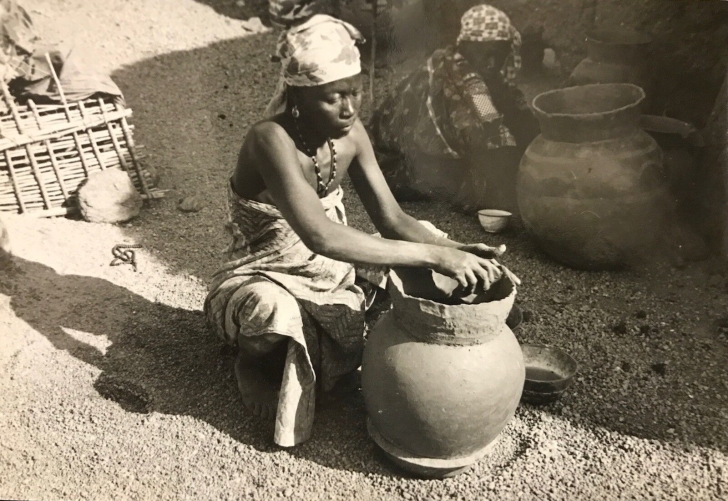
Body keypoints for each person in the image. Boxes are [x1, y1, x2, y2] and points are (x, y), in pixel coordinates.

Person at [204, 14, 520, 448]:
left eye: (355, 92)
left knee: (424, 240)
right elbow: (321, 236)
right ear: (300, 96)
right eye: (335, 97)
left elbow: (394, 219)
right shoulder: (269, 140)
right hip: (263, 273)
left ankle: (330, 344)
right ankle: (252, 364)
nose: (350, 108)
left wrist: (454, 247)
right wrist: (435, 256)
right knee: (269, 311)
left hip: (331, 271)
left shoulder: (351, 135)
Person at [369, 3, 540, 212]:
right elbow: (478, 134)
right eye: (485, 54)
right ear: (466, 47)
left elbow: (521, 119)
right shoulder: (458, 76)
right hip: (394, 156)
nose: (491, 63)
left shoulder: (488, 78)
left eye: (499, 55)